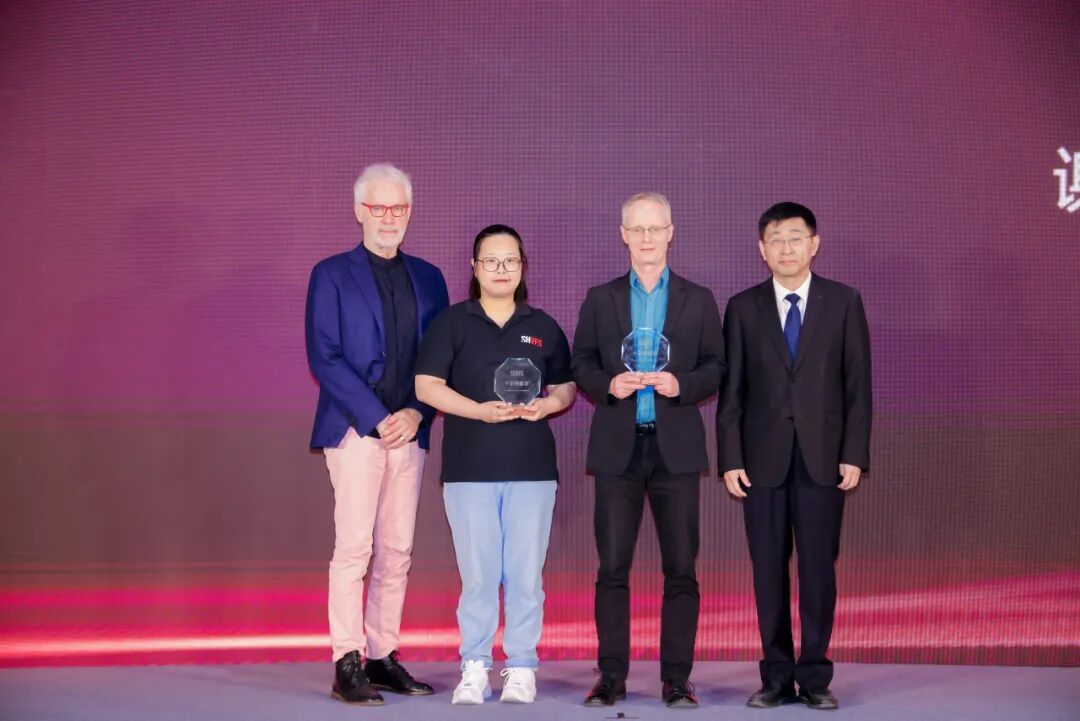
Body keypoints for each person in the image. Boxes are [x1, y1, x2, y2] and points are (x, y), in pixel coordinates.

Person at [717, 202, 872, 711]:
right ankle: (777, 677)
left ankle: (816, 676)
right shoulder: (743, 307)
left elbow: (858, 386)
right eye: (775, 240)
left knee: (818, 571)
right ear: (762, 250)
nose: (786, 248)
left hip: (824, 459)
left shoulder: (843, 301)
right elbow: (732, 393)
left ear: (814, 243)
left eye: (795, 237)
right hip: (761, 462)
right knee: (768, 571)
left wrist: (854, 454)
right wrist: (730, 458)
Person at [571, 193, 724, 708]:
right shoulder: (601, 298)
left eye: (655, 228)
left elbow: (717, 366)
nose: (646, 238)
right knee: (612, 569)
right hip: (618, 451)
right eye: (637, 229)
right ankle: (611, 676)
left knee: (681, 570)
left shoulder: (698, 299)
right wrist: (607, 385)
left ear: (670, 232)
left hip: (675, 451)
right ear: (623, 235)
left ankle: (676, 678)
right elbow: (582, 362)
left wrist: (682, 385)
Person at [304, 163, 448, 705]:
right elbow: (324, 355)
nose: (389, 218)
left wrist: (416, 413)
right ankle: (347, 660)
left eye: (398, 208)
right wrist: (376, 417)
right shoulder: (330, 274)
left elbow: (440, 358)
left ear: (409, 212)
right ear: (359, 210)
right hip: (355, 430)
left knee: (397, 549)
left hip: (409, 432)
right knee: (354, 548)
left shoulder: (430, 277)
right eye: (378, 207)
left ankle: (382, 656)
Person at [415, 224, 575, 705]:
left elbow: (565, 386)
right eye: (491, 260)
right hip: (469, 469)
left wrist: (548, 405)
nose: (501, 269)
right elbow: (426, 386)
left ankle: (522, 665)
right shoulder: (451, 323)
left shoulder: (542, 326)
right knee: (479, 576)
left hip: (532, 469)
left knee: (525, 576)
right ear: (475, 266)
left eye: (510, 261)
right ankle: (475, 665)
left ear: (523, 266)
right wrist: (478, 411)